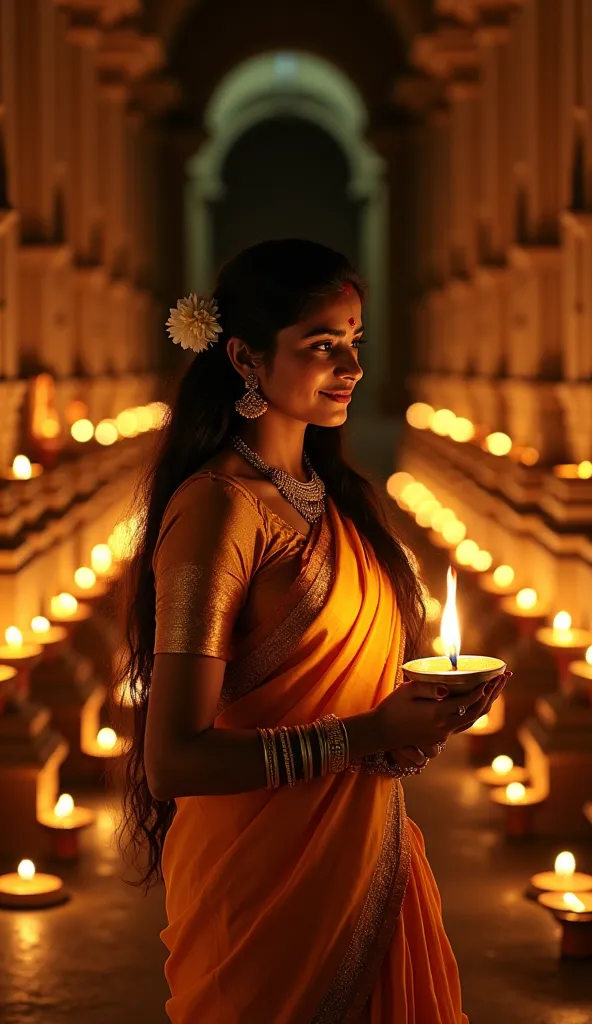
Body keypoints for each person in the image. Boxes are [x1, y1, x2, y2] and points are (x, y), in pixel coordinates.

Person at [116, 239, 508, 1023]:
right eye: (322, 345)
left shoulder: (333, 497)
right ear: (246, 358)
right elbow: (173, 760)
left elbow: (343, 688)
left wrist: (416, 721)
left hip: (365, 851)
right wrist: (366, 736)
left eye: (355, 342)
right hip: (260, 885)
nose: (351, 367)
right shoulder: (218, 510)